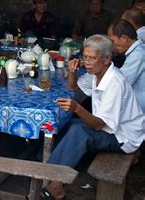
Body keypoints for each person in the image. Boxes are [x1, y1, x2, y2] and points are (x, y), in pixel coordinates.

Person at [42, 35, 144, 199]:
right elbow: (72, 87)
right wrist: (72, 72)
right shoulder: (96, 73)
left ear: (106, 59)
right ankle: (51, 169)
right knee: (65, 123)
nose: (87, 62)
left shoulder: (114, 83)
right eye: (85, 57)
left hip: (124, 137)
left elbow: (97, 126)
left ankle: (56, 184)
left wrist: (77, 108)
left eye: (92, 58)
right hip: (111, 128)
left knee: (79, 131)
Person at [107, 20, 145, 112]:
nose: (111, 45)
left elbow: (121, 82)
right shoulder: (139, 51)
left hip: (139, 110)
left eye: (112, 41)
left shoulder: (138, 55)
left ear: (124, 38)